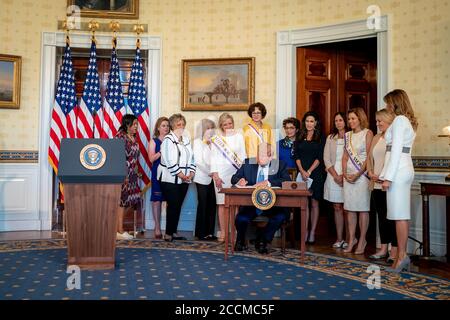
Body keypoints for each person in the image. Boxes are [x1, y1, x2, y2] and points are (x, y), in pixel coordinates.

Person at [380, 89, 418, 272]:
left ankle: (401, 256)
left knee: (399, 215)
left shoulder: (400, 120)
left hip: (399, 171)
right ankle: (402, 256)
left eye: (388, 102)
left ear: (395, 102)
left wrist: (388, 177)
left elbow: (395, 151)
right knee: (398, 214)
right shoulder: (402, 121)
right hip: (401, 169)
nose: (387, 106)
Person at [231, 142, 291, 254]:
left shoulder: (279, 165)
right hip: (251, 204)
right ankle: (240, 241)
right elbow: (234, 178)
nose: (259, 158)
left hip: (273, 205)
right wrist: (239, 180)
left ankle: (263, 240)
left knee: (280, 217)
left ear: (271, 156)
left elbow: (286, 181)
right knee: (241, 218)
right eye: (258, 155)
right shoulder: (248, 163)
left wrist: (267, 182)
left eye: (263, 156)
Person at [158, 113, 196, 242]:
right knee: (173, 205)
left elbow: (192, 158)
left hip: (185, 179)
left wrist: (191, 172)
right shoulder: (168, 140)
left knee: (178, 205)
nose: (181, 126)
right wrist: (181, 175)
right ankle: (168, 233)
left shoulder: (185, 139)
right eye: (178, 124)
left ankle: (173, 231)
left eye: (183, 124)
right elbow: (169, 161)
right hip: (170, 179)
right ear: (173, 126)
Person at [210, 113, 246, 242]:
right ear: (221, 126)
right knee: (221, 204)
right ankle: (224, 232)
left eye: (230, 123)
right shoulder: (216, 139)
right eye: (225, 124)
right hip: (221, 175)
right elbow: (212, 158)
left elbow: (243, 156)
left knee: (235, 204)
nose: (228, 126)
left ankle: (234, 232)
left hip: (235, 174)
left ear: (233, 123)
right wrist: (216, 175)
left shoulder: (239, 137)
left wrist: (241, 175)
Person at [367, 109, 398, 262]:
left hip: (389, 185)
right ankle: (384, 248)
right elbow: (369, 157)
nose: (377, 124)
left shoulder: (395, 138)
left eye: (380, 121)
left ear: (388, 121)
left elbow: (395, 160)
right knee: (381, 218)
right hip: (376, 184)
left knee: (392, 217)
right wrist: (371, 172)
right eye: (377, 121)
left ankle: (394, 251)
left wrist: (384, 176)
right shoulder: (377, 137)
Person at [342, 108, 374, 254]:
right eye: (349, 119)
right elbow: (344, 156)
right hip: (348, 176)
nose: (350, 121)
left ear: (360, 118)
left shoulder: (367, 133)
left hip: (361, 176)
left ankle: (362, 240)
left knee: (362, 209)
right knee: (350, 209)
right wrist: (344, 173)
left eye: (353, 118)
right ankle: (351, 239)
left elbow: (368, 157)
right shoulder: (347, 135)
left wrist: (358, 174)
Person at [293, 111, 325, 244]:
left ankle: (312, 232)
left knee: (314, 203)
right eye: (307, 121)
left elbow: (320, 156)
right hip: (302, 174)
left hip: (315, 174)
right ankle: (304, 232)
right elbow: (296, 155)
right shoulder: (300, 135)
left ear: (316, 122)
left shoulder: (321, 137)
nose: (309, 124)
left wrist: (310, 171)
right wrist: (302, 171)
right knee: (304, 203)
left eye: (312, 121)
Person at [323, 112, 348, 249]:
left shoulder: (351, 137)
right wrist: (336, 175)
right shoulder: (330, 138)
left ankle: (350, 239)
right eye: (336, 120)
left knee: (348, 208)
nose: (338, 123)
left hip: (348, 175)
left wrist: (344, 175)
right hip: (333, 174)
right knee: (337, 207)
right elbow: (326, 158)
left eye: (341, 120)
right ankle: (340, 238)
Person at [115, 114, 141, 240]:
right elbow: (118, 157)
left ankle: (117, 226)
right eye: (134, 124)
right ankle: (119, 230)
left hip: (133, 174)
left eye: (137, 124)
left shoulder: (133, 137)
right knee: (122, 202)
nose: (136, 126)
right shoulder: (120, 137)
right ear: (127, 124)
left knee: (130, 201)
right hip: (123, 174)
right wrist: (123, 174)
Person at [193, 119, 217, 241]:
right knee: (203, 204)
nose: (210, 130)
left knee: (212, 205)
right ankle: (200, 232)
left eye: (212, 128)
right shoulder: (197, 142)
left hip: (213, 178)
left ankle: (210, 232)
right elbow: (198, 162)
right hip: (202, 177)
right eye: (208, 128)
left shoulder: (214, 142)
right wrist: (211, 173)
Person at [148, 116, 170, 239]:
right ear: (158, 127)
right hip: (157, 173)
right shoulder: (154, 141)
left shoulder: (172, 140)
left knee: (169, 201)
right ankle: (157, 227)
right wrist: (162, 151)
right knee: (157, 200)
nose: (166, 128)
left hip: (170, 174)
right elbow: (151, 159)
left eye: (167, 125)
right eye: (163, 125)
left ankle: (169, 228)